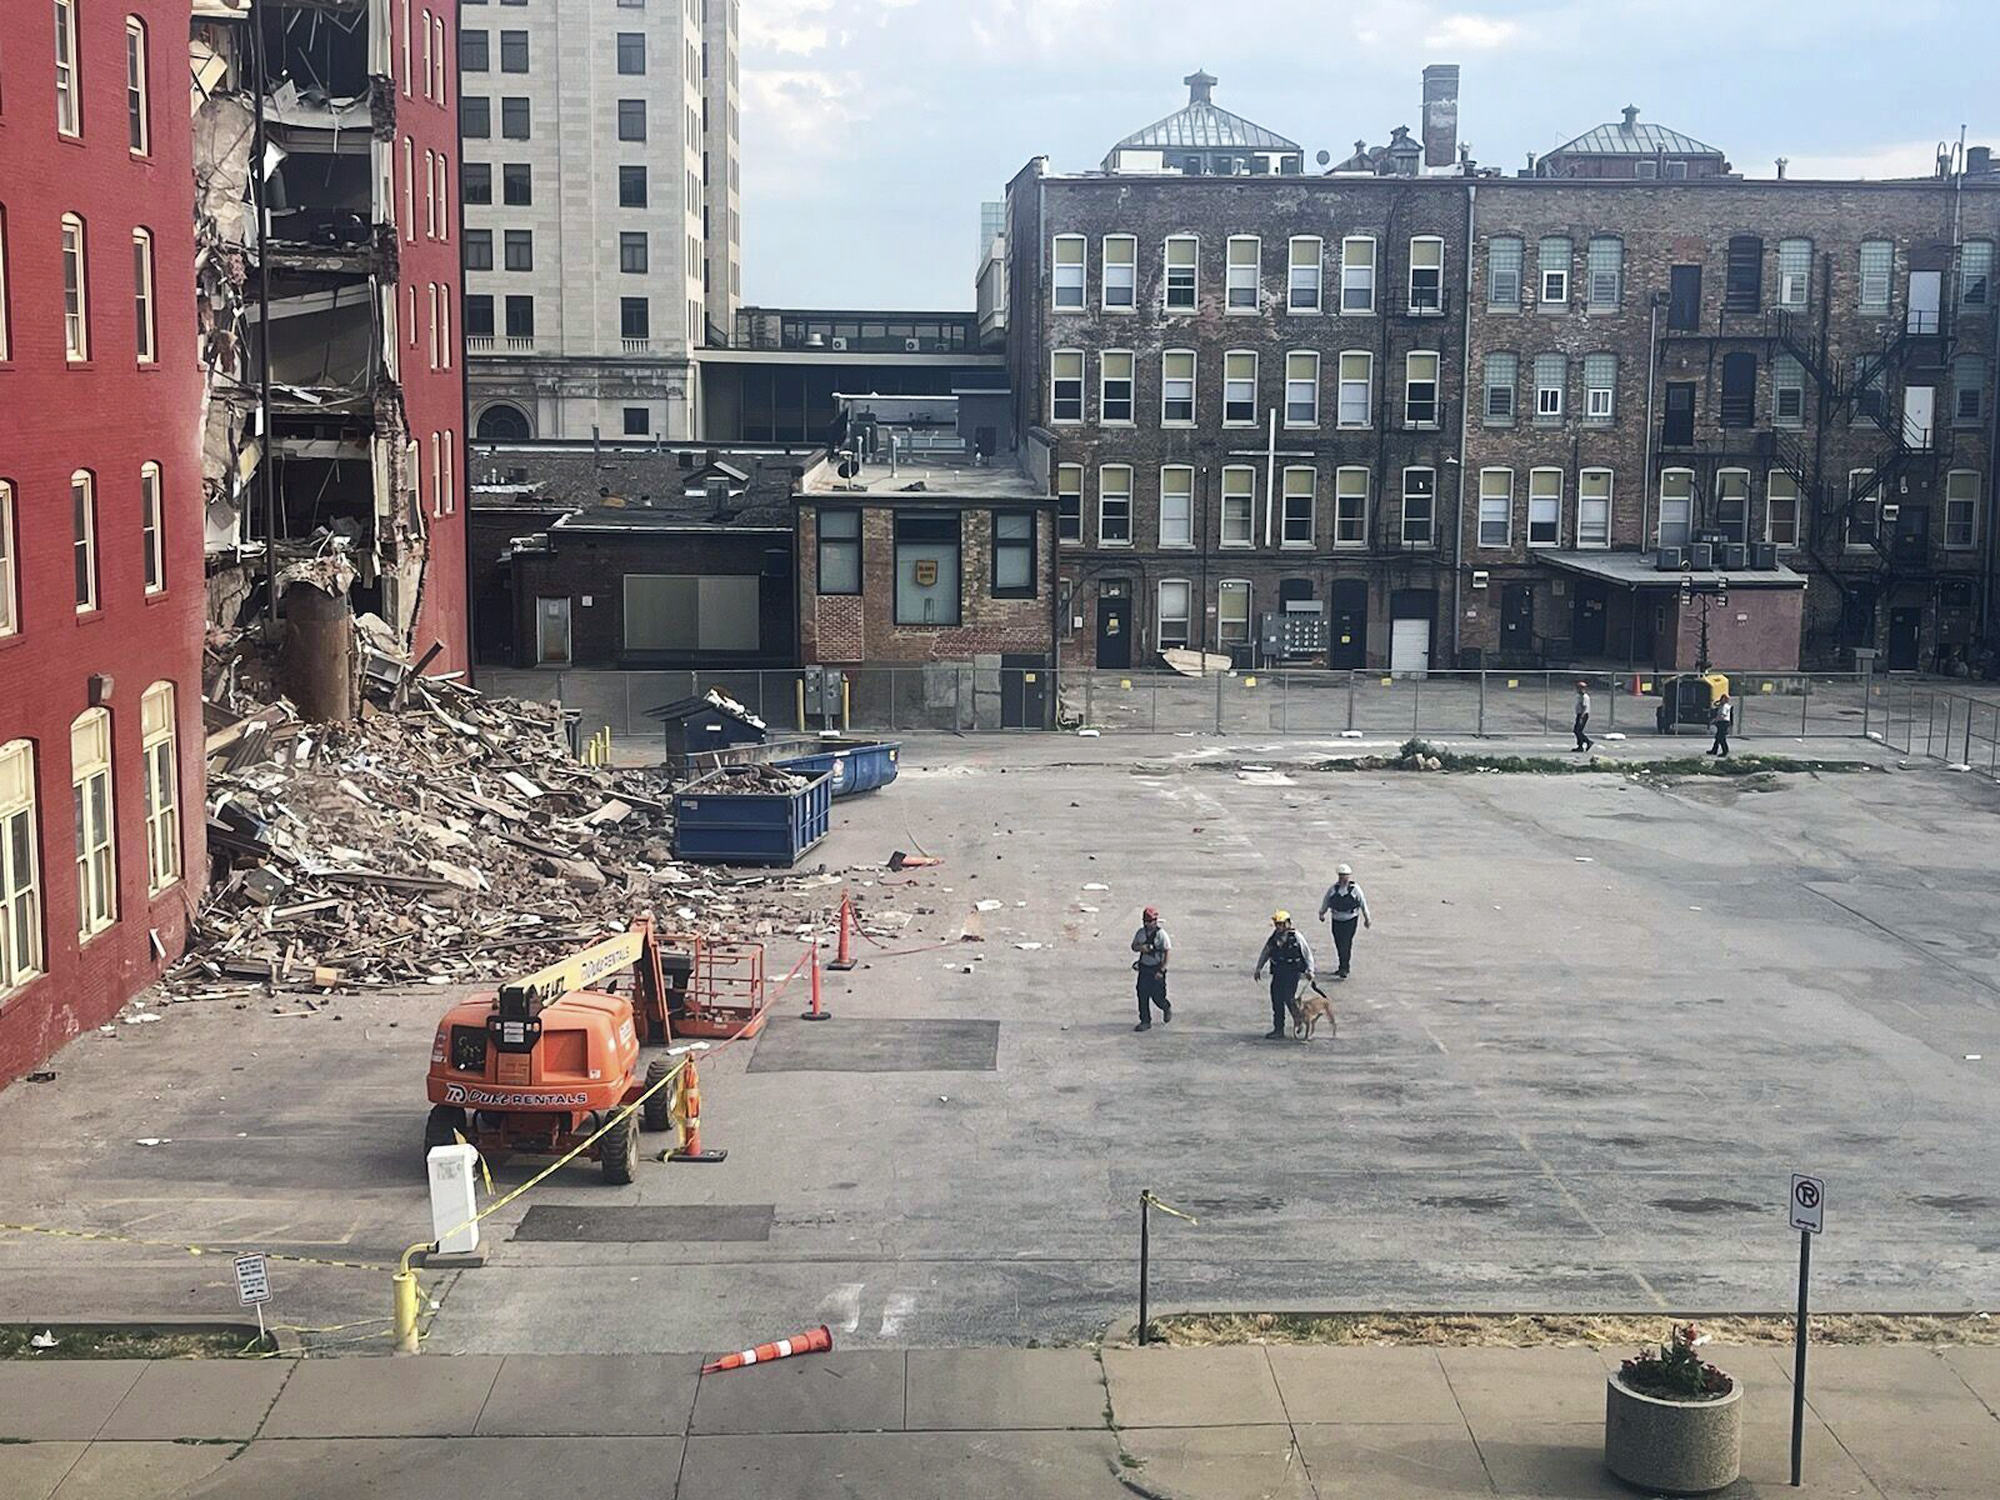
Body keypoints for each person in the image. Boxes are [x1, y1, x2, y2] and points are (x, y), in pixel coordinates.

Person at [1253, 912, 1316, 1040]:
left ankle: (1299, 1021)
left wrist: (1310, 970)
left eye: (1281, 924)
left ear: (1288, 923)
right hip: (1278, 972)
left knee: (1289, 998)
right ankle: (1278, 1029)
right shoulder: (1274, 938)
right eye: (1277, 924)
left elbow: (1307, 953)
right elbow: (1266, 952)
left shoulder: (1296, 937)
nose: (1279, 927)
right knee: (1276, 999)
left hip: (1292, 972)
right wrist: (1258, 968)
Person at [1317, 864, 1372, 979]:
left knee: (1345, 943)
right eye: (1341, 876)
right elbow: (1326, 901)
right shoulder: (1333, 889)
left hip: (1350, 920)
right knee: (1338, 943)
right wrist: (1322, 913)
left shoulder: (1355, 889)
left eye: (1345, 876)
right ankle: (1342, 964)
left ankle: (1344, 968)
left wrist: (1367, 918)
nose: (1343, 878)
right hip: (1336, 919)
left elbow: (1363, 903)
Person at [1130, 906, 1172, 1032]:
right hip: (1144, 968)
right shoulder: (1140, 933)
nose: (1150, 924)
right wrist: (1141, 948)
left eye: (1152, 921)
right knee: (1142, 994)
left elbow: (1167, 952)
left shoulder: (1161, 935)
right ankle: (1145, 1021)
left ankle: (1165, 1007)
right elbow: (1134, 946)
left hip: (1156, 968)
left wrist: (1162, 970)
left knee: (1157, 996)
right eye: (1147, 921)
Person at [1709, 691, 1733, 757]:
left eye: (1722, 699)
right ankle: (1714, 750)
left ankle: (1725, 751)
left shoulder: (1725, 707)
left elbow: (1722, 716)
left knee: (1721, 738)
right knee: (1718, 737)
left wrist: (1715, 720)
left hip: (1723, 723)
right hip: (1722, 722)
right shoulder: (1723, 706)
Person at [1572, 680, 1593, 752]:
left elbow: (1584, 707)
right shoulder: (1580, 696)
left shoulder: (1584, 697)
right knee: (1577, 730)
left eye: (1579, 688)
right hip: (1580, 714)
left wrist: (1581, 717)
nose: (1577, 689)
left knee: (1578, 730)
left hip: (1583, 715)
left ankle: (1587, 741)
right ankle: (1580, 746)